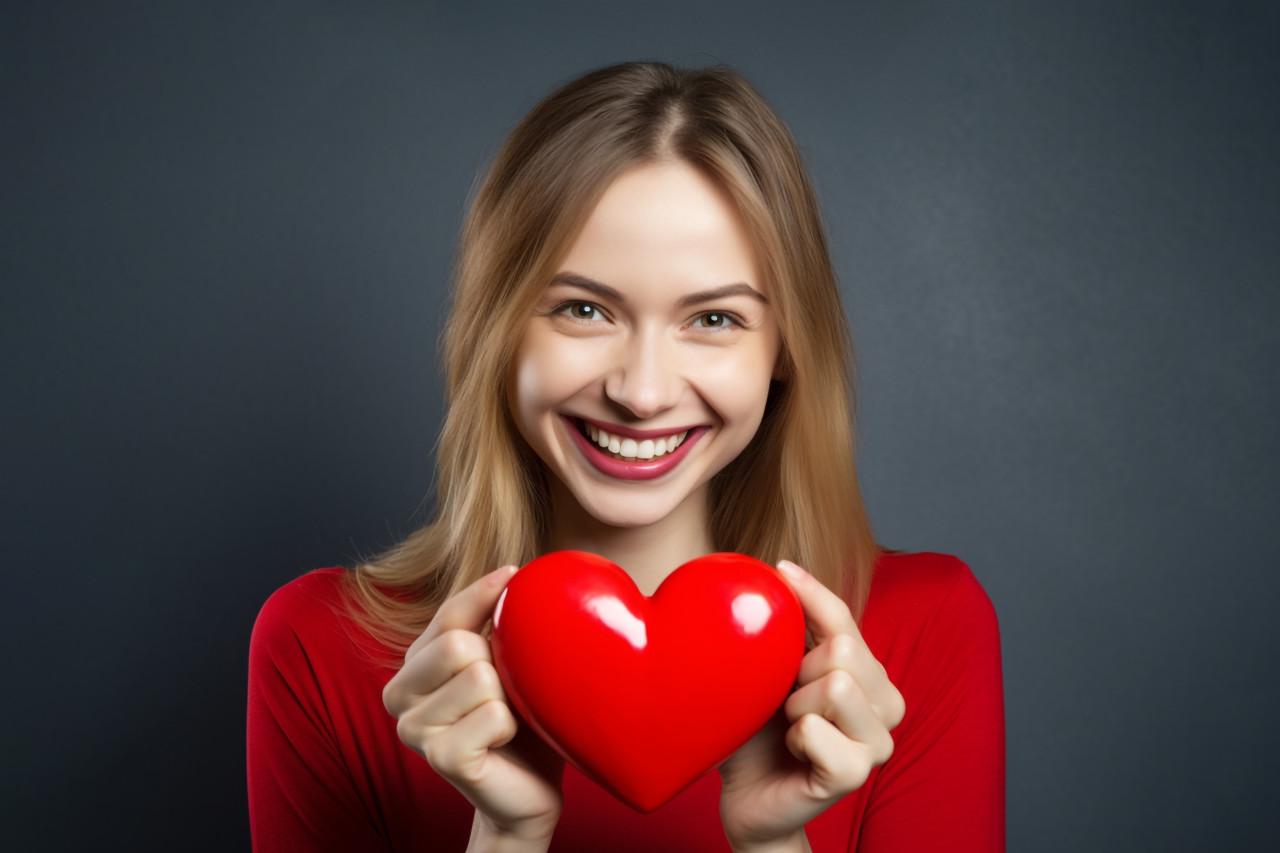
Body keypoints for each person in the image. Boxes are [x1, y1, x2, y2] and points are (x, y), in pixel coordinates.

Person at [247, 61, 1005, 852]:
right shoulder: (322, 647)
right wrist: (507, 837)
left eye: (713, 319)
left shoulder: (924, 631)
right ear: (497, 331)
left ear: (785, 350)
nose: (641, 393)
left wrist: (775, 842)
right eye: (583, 309)